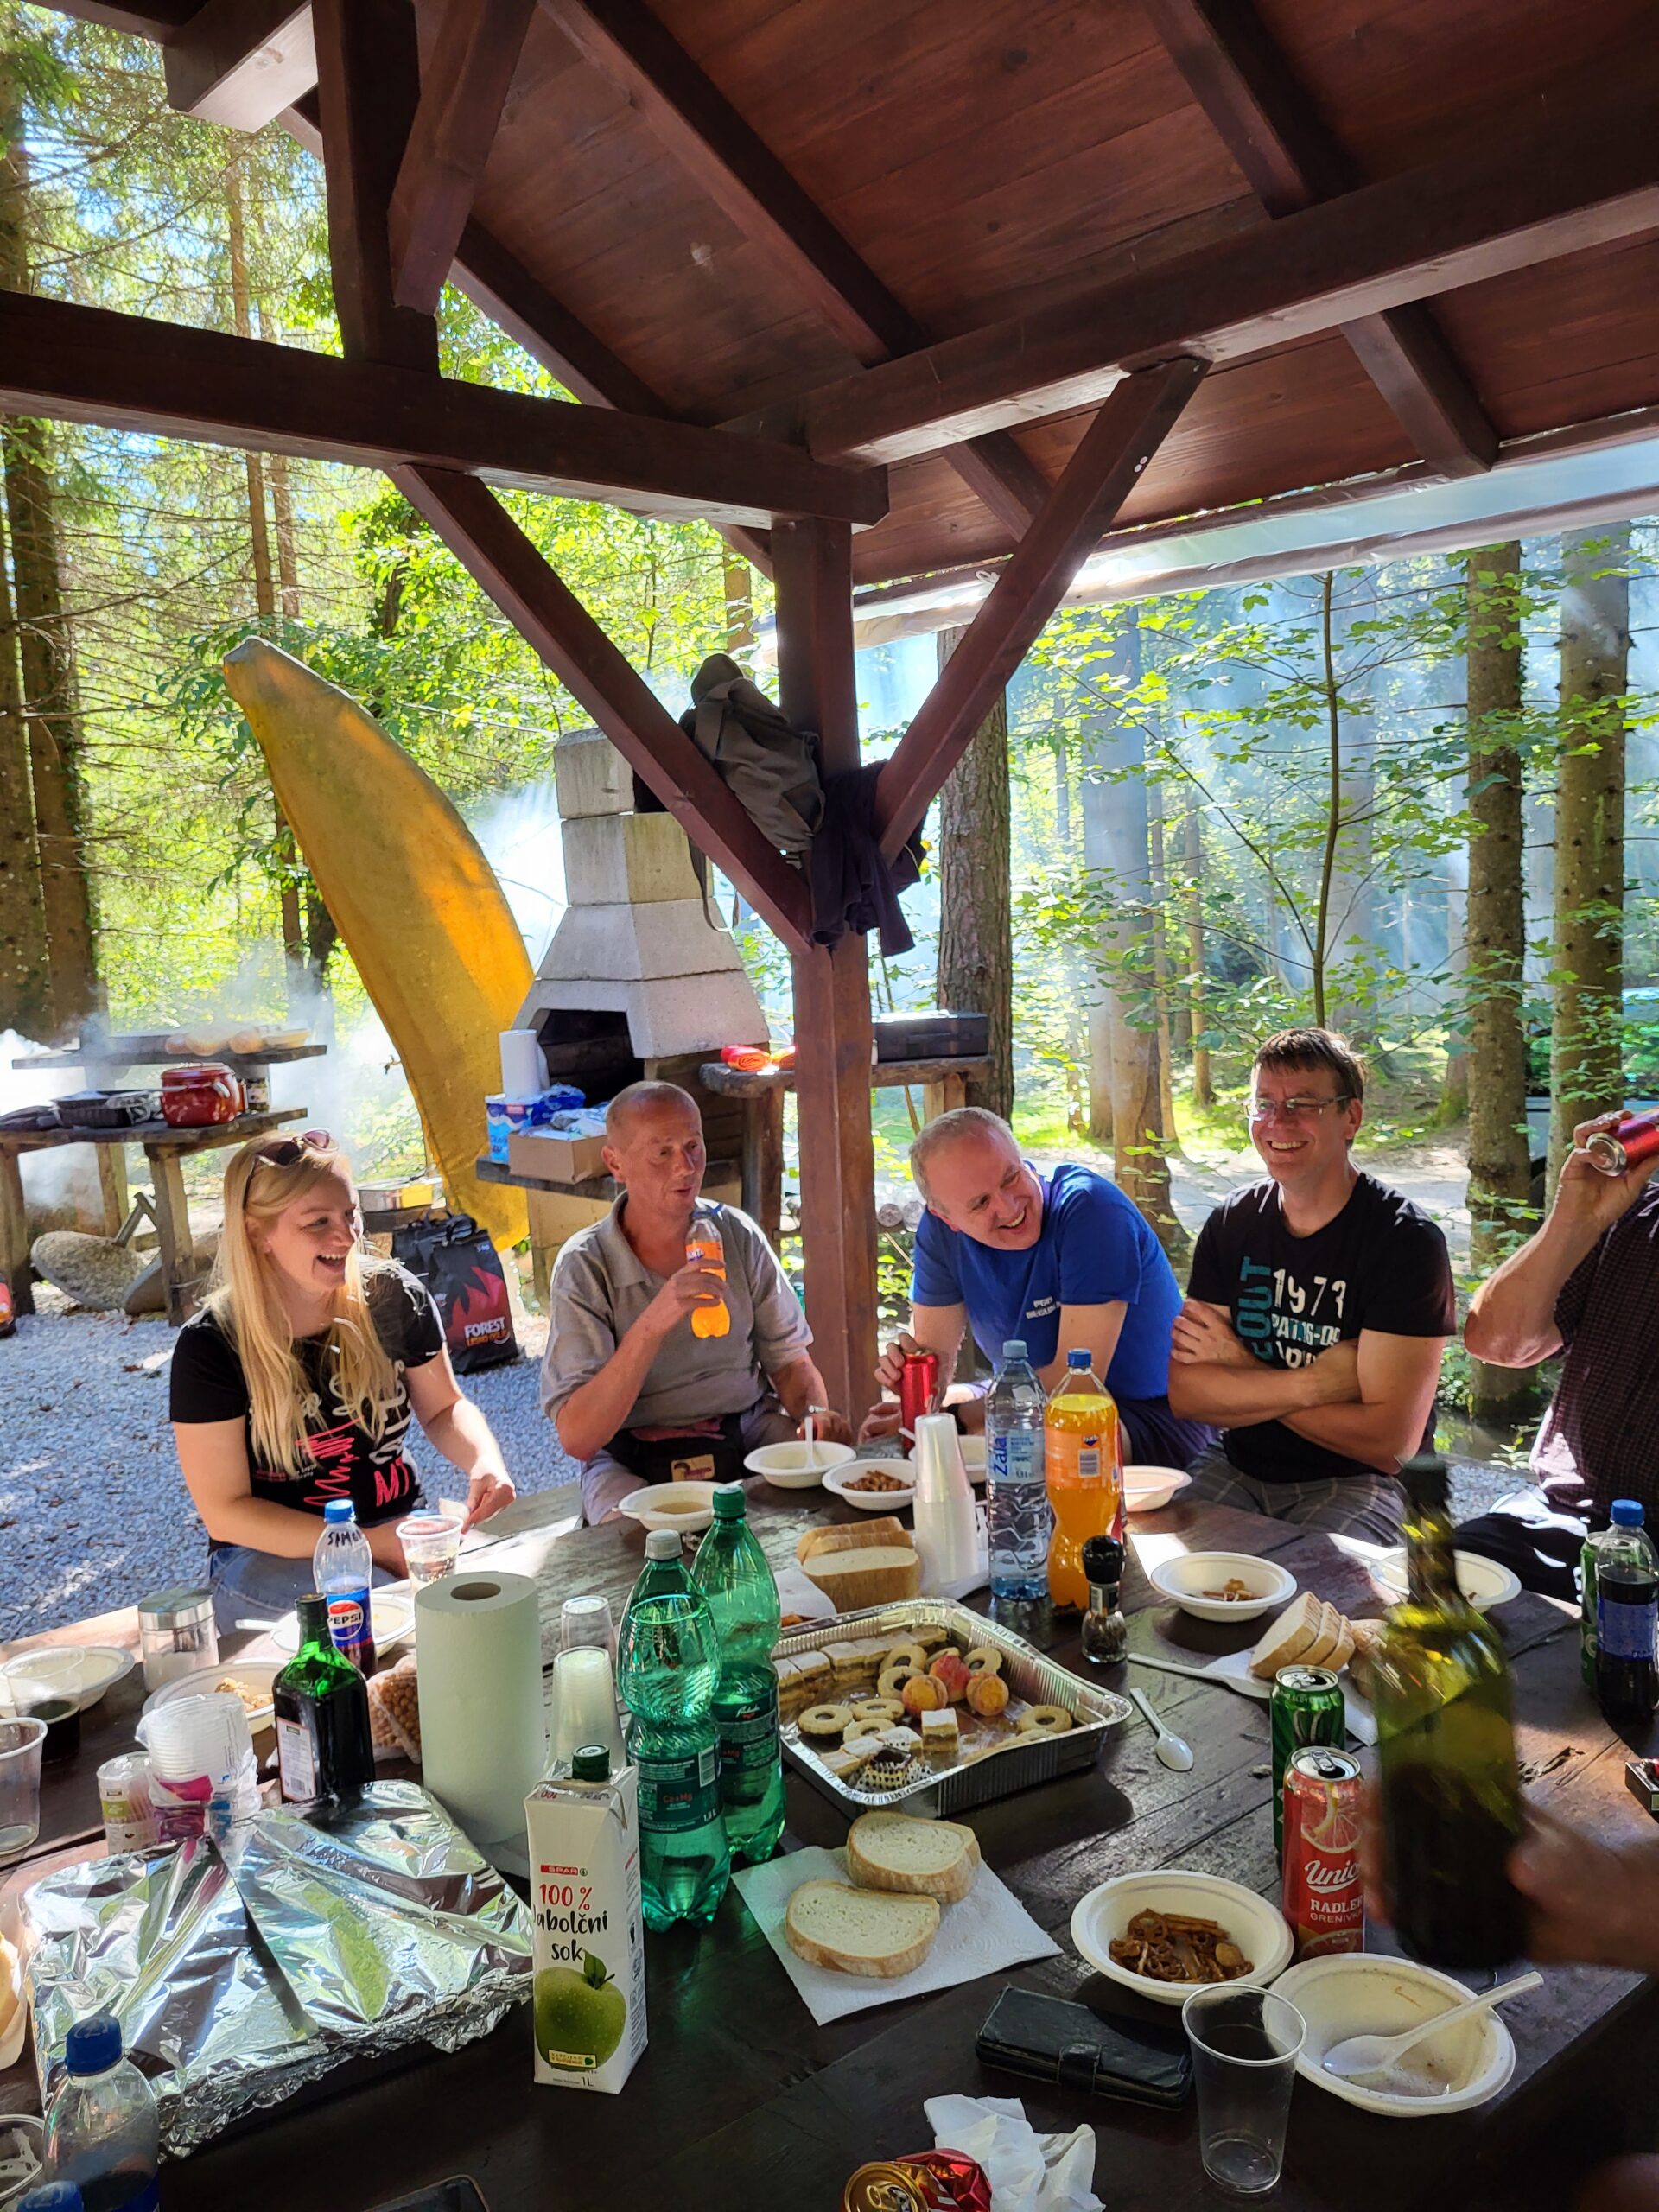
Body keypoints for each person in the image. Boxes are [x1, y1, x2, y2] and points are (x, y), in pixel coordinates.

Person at [170, 1130, 516, 1631]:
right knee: (383, 1616)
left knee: (502, 1597)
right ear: (257, 1234)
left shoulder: (394, 1296)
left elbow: (444, 1409)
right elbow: (227, 1512)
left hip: (398, 1530)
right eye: (318, 1222)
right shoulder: (210, 1345)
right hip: (271, 1558)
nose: (348, 1236)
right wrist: (368, 1546)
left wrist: (484, 1459)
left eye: (351, 1214)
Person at [1167, 1027, 1453, 1543]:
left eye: (1302, 1104)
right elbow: (1188, 1394)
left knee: (1317, 1587)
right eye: (1264, 1104)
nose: (1278, 1121)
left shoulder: (1404, 1241)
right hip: (1237, 1463)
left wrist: (1240, 1366)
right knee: (1152, 1568)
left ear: (1351, 1117)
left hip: (1361, 1482)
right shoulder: (1232, 1223)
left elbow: (1390, 1444)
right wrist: (1315, 1384)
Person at [543, 1082, 850, 1522]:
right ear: (615, 1163)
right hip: (629, 1448)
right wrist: (654, 1323)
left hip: (745, 1425)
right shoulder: (586, 1265)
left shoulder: (736, 1235)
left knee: (823, 1497)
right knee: (631, 1540)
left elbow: (788, 1362)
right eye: (661, 1152)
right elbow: (578, 1437)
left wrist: (815, 1415)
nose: (685, 1167)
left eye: (693, 1146)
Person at [862, 1106, 1212, 1468]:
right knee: (921, 1429)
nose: (1008, 1207)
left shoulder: (1091, 1209)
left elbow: (1076, 1383)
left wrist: (953, 1420)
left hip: (1152, 1416)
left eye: (1011, 1178)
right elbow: (935, 1359)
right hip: (1028, 1402)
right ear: (945, 1217)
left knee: (1046, 1445)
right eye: (981, 1203)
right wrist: (918, 1394)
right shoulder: (939, 1235)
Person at [1456, 1109, 1659, 1597]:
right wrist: (1574, 1221)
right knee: (1436, 1580)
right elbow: (1497, 1344)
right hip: (1566, 1519)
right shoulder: (1635, 1213)